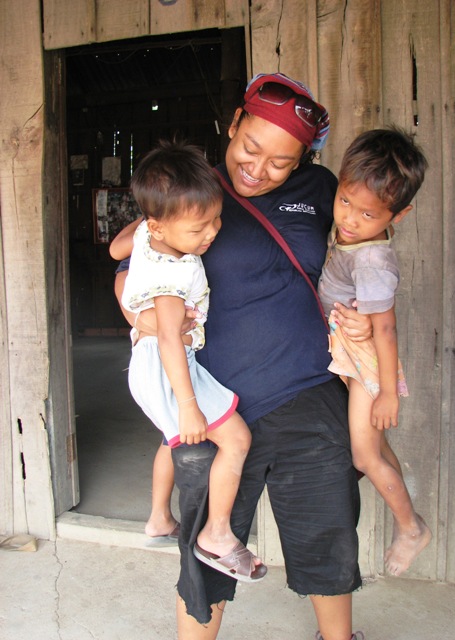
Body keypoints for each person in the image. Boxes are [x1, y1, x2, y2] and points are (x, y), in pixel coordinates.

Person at [115, 73, 370, 640]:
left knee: (327, 532)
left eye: (280, 162)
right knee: (206, 552)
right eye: (250, 149)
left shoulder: (320, 189)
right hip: (217, 401)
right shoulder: (192, 191)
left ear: (302, 160)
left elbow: (360, 251)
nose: (258, 169)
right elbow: (132, 268)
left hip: (309, 392)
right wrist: (140, 319)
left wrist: (366, 313)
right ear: (233, 125)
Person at [110, 140, 266, 582]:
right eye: (198, 228)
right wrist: (188, 404)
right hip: (168, 365)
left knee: (170, 439)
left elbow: (116, 249)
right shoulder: (173, 276)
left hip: (149, 365)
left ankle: (159, 518)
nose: (211, 233)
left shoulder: (147, 236)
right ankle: (217, 535)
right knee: (236, 440)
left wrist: (152, 217)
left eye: (215, 219)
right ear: (160, 226)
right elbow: (169, 339)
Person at [317, 128, 432, 576]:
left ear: (398, 215)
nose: (349, 219)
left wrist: (386, 392)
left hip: (366, 361)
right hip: (351, 350)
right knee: (377, 447)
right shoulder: (353, 235)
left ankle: (410, 527)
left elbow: (384, 328)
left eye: (367, 213)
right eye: (345, 201)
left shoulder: (372, 260)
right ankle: (408, 518)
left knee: (363, 455)